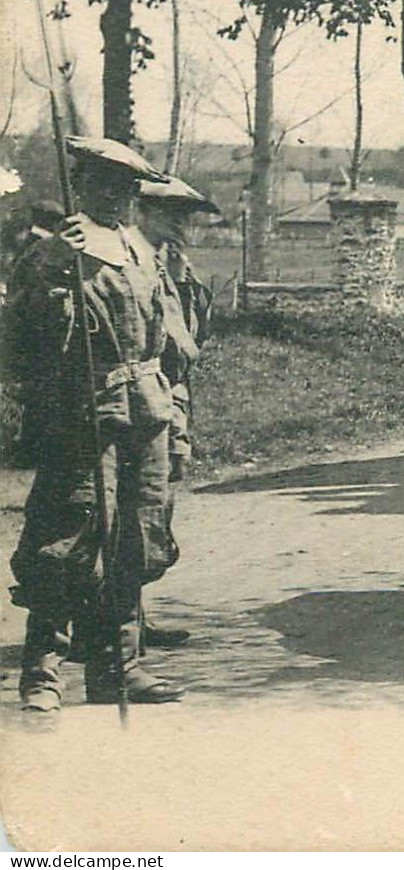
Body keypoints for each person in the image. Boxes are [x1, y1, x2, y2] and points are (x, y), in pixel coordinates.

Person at [6, 136, 192, 710]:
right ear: (82, 186)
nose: (116, 196)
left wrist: (175, 414)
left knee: (137, 540)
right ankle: (43, 672)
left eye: (127, 188)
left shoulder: (141, 251)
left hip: (148, 415)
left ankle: (118, 666)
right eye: (104, 185)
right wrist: (57, 275)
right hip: (84, 416)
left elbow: (169, 345)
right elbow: (23, 340)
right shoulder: (58, 249)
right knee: (69, 538)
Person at [134, 174, 219, 651]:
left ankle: (132, 619)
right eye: (170, 215)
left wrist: (185, 280)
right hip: (136, 401)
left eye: (186, 217)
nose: (182, 225)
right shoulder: (133, 262)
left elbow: (193, 338)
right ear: (141, 212)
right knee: (123, 517)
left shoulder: (171, 266)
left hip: (168, 401)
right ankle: (99, 627)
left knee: (154, 513)